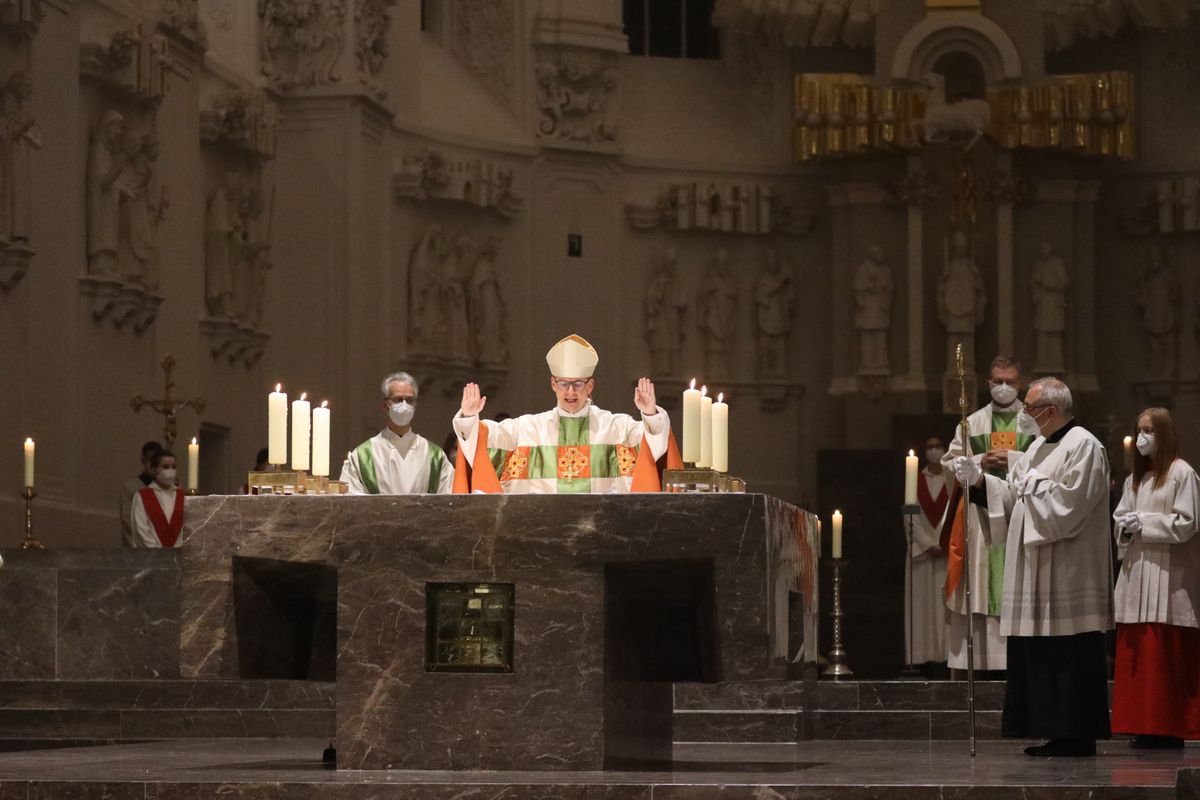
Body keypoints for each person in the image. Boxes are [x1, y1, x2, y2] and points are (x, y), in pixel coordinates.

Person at [954, 376, 1113, 757]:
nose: (1022, 414)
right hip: (1034, 569)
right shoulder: (1038, 446)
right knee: (1041, 654)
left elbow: (1070, 508)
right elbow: (1013, 497)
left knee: (1069, 655)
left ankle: (1076, 734)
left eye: (1028, 408)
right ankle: (1052, 731)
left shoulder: (1086, 446)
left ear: (1051, 411)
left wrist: (1034, 482)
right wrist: (980, 482)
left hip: (1067, 570)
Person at [453, 333, 673, 493]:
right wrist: (469, 418)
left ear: (590, 385)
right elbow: (481, 444)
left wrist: (650, 413)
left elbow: (654, 448)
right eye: (563, 383)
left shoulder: (617, 428)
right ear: (552, 384)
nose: (570, 391)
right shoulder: (527, 429)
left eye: (578, 384)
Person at [940, 355, 1035, 673]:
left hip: (1023, 520)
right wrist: (980, 461)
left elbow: (1049, 460)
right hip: (982, 522)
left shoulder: (1033, 421)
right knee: (981, 585)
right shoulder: (972, 422)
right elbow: (951, 464)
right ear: (988, 384)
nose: (1004, 388)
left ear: (1020, 383)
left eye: (1010, 382)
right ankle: (981, 662)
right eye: (998, 381)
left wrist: (1014, 458)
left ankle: (1019, 661)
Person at [1112, 407, 1200, 748]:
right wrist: (1126, 526)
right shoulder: (1138, 477)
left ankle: (1169, 726)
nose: (1142, 438)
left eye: (1149, 431)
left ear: (1164, 434)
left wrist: (1143, 523)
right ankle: (1142, 724)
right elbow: (1121, 516)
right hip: (1138, 573)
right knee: (1138, 654)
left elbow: (1186, 523)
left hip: (1169, 575)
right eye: (1139, 430)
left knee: (1165, 655)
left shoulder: (1182, 473)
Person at [340, 372, 454, 495]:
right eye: (397, 400)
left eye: (410, 400)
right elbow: (350, 503)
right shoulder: (362, 456)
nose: (404, 405)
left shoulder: (435, 456)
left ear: (415, 405)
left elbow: (450, 501)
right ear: (384, 405)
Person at [906, 435, 948, 670]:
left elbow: (956, 512)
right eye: (930, 446)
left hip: (946, 552)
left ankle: (946, 656)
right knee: (921, 606)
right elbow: (909, 515)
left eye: (938, 446)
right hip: (922, 553)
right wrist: (925, 543)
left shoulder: (952, 478)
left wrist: (944, 543)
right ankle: (921, 658)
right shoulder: (915, 479)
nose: (934, 451)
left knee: (945, 607)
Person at [129, 450, 184, 548]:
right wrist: (157, 553)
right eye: (166, 467)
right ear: (154, 469)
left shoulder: (183, 497)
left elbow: (188, 528)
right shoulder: (142, 496)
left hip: (179, 557)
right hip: (152, 557)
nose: (171, 471)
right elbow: (140, 529)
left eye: (174, 467)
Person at [119, 440, 163, 546]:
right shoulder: (130, 488)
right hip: (137, 548)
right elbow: (129, 522)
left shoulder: (164, 489)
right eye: (150, 460)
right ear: (143, 460)